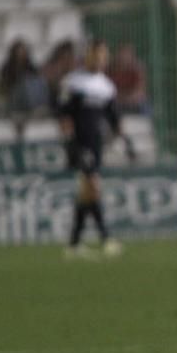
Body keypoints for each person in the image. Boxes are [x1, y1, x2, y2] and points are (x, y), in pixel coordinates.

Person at [59, 39, 123, 259]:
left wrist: (121, 140)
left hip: (96, 145)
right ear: (87, 56)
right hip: (80, 143)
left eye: (103, 56)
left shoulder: (106, 86)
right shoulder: (73, 82)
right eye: (96, 55)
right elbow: (65, 115)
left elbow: (114, 119)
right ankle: (106, 238)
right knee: (93, 186)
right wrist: (70, 144)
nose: (100, 60)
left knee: (87, 192)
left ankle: (74, 243)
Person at [0, 38, 49, 114]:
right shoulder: (7, 69)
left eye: (23, 51)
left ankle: (39, 106)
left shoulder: (31, 68)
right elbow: (4, 88)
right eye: (19, 51)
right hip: (13, 99)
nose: (22, 54)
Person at [108, 43, 149, 115]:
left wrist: (127, 98)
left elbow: (139, 92)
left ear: (132, 56)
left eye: (127, 54)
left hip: (132, 100)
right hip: (117, 100)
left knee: (145, 105)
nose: (124, 57)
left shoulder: (137, 69)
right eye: (122, 54)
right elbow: (108, 89)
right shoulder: (111, 68)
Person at [41, 38, 77, 110]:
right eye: (64, 57)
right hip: (55, 100)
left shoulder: (75, 69)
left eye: (69, 57)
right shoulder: (51, 68)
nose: (67, 61)